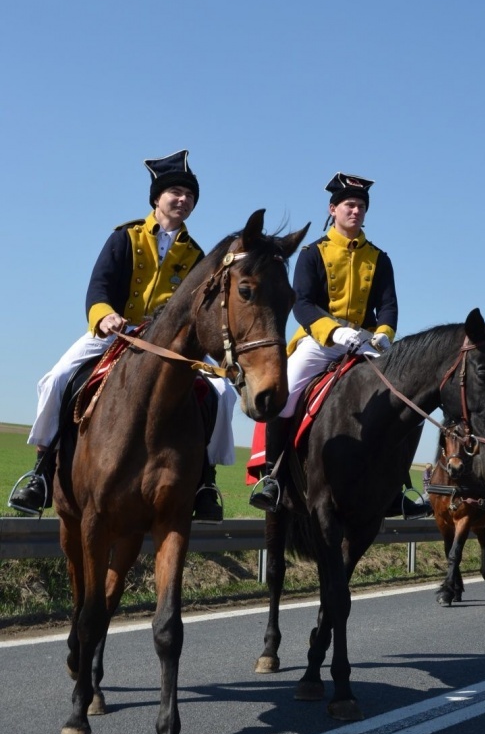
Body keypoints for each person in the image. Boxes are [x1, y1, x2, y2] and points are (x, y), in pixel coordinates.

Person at [8, 150, 237, 520]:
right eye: (176, 192)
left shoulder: (196, 254)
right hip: (118, 330)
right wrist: (105, 316)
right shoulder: (124, 237)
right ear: (157, 198)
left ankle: (205, 482)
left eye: (190, 195)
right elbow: (98, 288)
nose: (184, 200)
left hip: (170, 341)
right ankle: (42, 472)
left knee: (223, 393)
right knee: (56, 379)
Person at [250, 172, 426, 515]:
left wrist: (384, 334)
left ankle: (398, 488)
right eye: (349, 205)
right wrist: (333, 331)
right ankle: (272, 476)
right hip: (320, 340)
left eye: (361, 206)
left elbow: (388, 305)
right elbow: (301, 303)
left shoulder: (379, 258)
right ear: (333, 209)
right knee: (284, 393)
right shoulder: (312, 253)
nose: (356, 211)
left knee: (408, 404)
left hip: (364, 341)